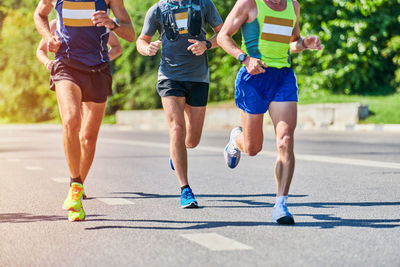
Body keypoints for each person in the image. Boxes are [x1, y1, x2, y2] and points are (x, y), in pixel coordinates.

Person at [217, 0, 322, 224]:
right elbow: (223, 36)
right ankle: (237, 140)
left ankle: (281, 204)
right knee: (253, 148)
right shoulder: (249, 4)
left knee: (285, 140)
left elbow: (291, 43)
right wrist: (244, 59)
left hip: (282, 78)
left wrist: (304, 44)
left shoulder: (293, 5)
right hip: (253, 78)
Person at [34, 0, 135, 222]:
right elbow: (39, 15)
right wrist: (47, 37)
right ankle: (75, 186)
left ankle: (76, 190)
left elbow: (130, 34)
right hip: (66, 65)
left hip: (98, 69)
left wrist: (113, 23)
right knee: (71, 120)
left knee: (88, 139)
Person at [136, 0, 223, 208]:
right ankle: (185, 189)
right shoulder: (157, 9)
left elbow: (223, 33)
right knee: (176, 128)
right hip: (169, 76)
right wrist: (147, 48)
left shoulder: (204, 4)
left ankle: (176, 153)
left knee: (191, 141)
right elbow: (142, 40)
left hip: (198, 78)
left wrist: (207, 44)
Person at [37, 19, 123, 72]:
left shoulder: (96, 23)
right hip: (65, 73)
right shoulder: (55, 25)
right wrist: (47, 62)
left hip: (92, 74)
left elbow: (117, 48)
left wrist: (100, 60)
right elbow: (41, 50)